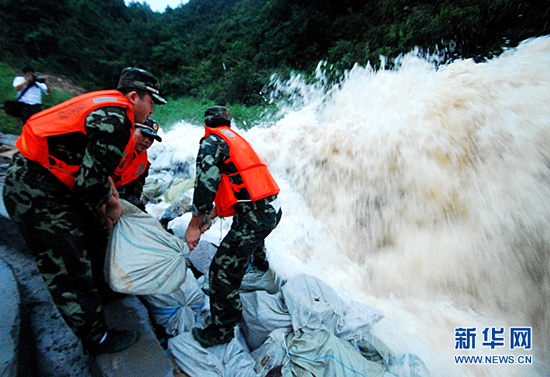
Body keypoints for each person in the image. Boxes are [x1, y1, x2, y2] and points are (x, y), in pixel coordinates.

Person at [3, 67, 166, 354]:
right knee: (68, 262)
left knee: (94, 235)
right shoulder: (117, 121)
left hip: (54, 182)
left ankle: (104, 291)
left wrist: (110, 199)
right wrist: (112, 204)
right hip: (36, 190)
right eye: (151, 101)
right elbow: (90, 185)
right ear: (133, 96)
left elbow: (92, 169)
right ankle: (96, 338)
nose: (153, 108)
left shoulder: (106, 106)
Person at [185, 106, 282, 347]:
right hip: (273, 208)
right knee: (249, 237)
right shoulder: (236, 140)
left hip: (257, 216)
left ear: (206, 123)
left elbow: (206, 185)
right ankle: (260, 267)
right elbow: (240, 187)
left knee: (220, 272)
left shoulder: (211, 142)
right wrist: (211, 217)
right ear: (229, 123)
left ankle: (222, 330)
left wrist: (194, 225)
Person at [112, 117, 162, 210]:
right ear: (132, 130)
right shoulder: (114, 148)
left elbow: (134, 192)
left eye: (151, 138)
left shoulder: (143, 164)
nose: (147, 141)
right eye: (144, 134)